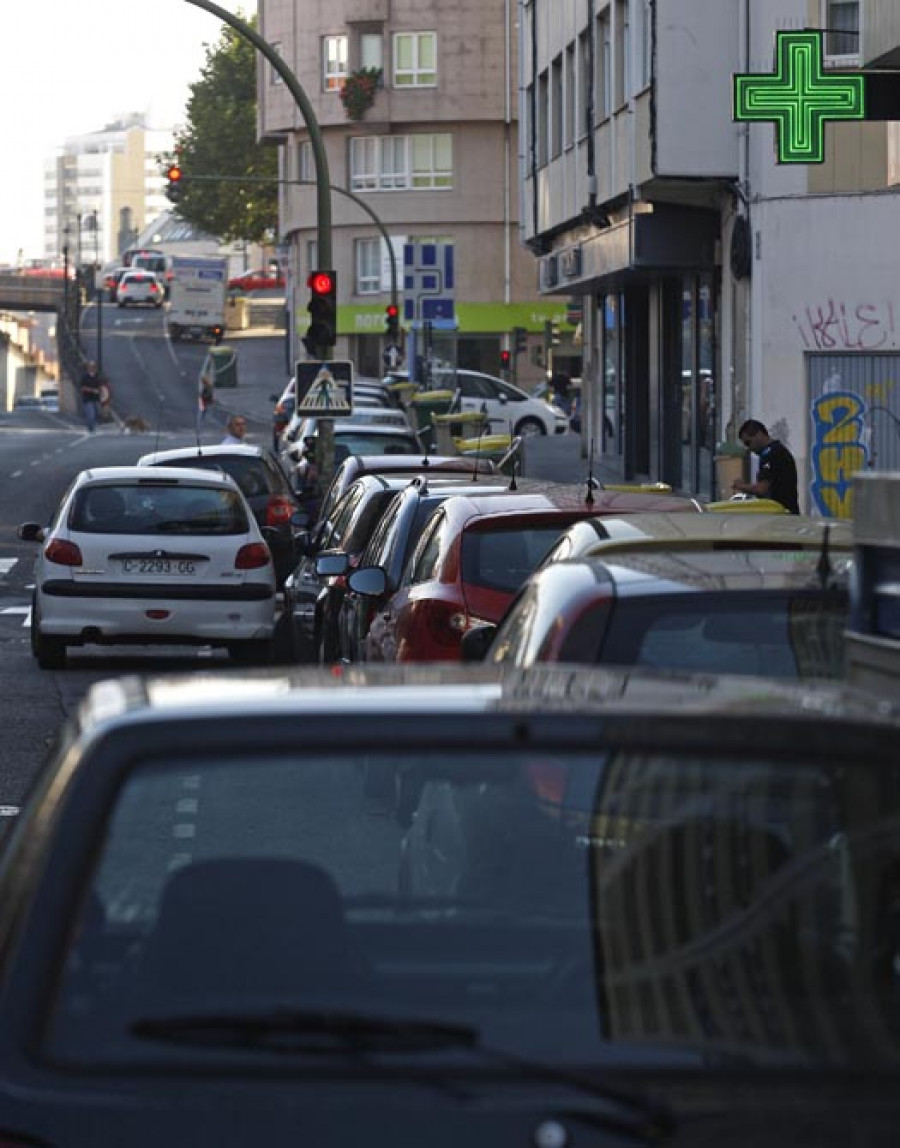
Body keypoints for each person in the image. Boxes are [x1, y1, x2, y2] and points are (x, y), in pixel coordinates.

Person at [733, 418, 799, 514]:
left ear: (759, 434)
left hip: (780, 513)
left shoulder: (770, 454)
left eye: (748, 443)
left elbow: (761, 489)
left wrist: (741, 486)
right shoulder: (778, 450)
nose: (749, 448)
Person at [78, 360, 103, 433]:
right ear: (88, 367)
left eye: (93, 366)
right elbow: (82, 388)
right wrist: (92, 390)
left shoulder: (97, 376)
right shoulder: (84, 376)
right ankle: (91, 429)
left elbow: (100, 385)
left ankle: (92, 426)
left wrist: (100, 391)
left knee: (97, 414)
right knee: (91, 414)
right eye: (90, 366)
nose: (92, 368)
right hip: (87, 399)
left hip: (96, 399)